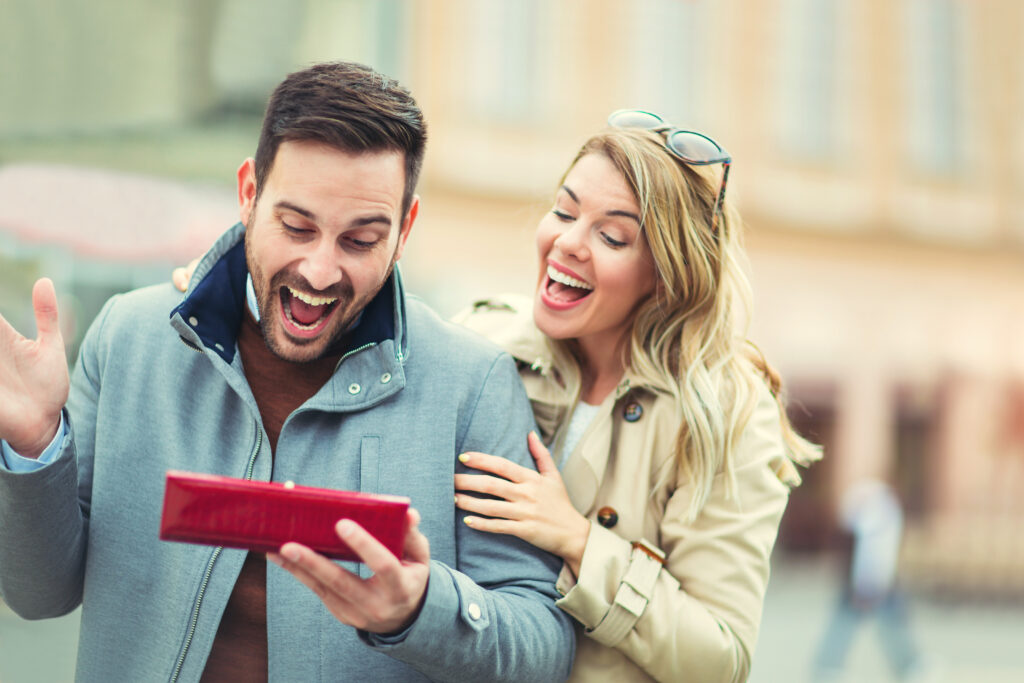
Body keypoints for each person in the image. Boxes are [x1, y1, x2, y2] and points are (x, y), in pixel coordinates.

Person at [0, 61, 575, 682]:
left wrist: (419, 609)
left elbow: (542, 647)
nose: (320, 271)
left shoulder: (472, 386)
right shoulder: (129, 339)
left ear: (404, 229)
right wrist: (33, 446)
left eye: (359, 240)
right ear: (249, 194)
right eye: (296, 226)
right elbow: (38, 593)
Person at [450, 112, 821, 682]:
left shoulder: (724, 413)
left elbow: (721, 660)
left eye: (611, 236)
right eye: (563, 211)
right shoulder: (482, 343)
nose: (568, 243)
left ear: (666, 275)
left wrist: (576, 539)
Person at [812, 479, 929, 682]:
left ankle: (829, 664)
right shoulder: (879, 510)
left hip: (870, 578)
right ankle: (910, 664)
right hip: (872, 578)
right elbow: (873, 548)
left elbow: (870, 547)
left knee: (873, 622)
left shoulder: (872, 508)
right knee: (886, 623)